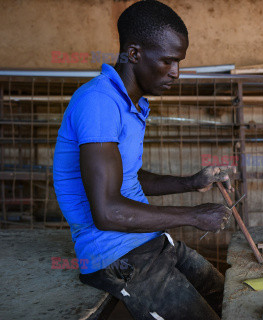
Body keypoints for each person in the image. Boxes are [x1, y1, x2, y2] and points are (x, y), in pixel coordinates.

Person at [53, 1, 231, 319]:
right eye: (168, 61)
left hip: (148, 242)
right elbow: (107, 213)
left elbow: (128, 176)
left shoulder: (131, 104)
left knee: (227, 297)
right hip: (114, 256)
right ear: (134, 54)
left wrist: (191, 182)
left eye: (179, 62)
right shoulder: (99, 102)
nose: (176, 72)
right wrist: (193, 215)